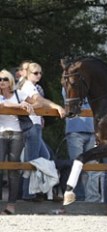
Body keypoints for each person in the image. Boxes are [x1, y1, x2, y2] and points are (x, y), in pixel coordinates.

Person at [17, 62, 65, 201]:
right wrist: (56, 106)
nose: (38, 75)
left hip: (35, 126)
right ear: (27, 73)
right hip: (31, 127)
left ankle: (44, 192)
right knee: (32, 160)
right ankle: (28, 194)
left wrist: (39, 105)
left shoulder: (31, 86)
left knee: (45, 158)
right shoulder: (28, 86)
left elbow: (38, 102)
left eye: (40, 73)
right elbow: (39, 100)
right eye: (35, 73)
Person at [0, 69, 34, 214]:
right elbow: (2, 106)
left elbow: (37, 102)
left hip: (17, 134)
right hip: (0, 134)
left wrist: (30, 107)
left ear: (10, 81)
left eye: (4, 79)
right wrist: (19, 106)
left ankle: (11, 205)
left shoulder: (20, 94)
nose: (1, 82)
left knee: (13, 169)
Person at [62, 88, 102, 202]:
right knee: (76, 166)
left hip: (92, 132)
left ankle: (92, 198)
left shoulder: (91, 89)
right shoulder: (70, 87)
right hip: (75, 132)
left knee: (92, 167)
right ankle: (78, 197)